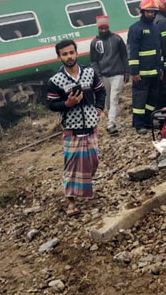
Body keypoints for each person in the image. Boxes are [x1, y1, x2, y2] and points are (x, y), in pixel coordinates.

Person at [47, 40, 107, 216]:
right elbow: (51, 104)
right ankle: (71, 201)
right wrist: (67, 103)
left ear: (76, 53)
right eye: (64, 54)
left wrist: (99, 109)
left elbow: (100, 91)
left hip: (91, 126)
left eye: (71, 52)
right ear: (59, 57)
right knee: (71, 165)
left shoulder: (89, 73)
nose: (69, 56)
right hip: (71, 129)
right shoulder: (55, 81)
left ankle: (84, 186)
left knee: (93, 161)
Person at [127, 0, 164, 133]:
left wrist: (160, 68)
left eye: (153, 12)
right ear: (142, 12)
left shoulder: (155, 28)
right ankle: (139, 124)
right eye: (148, 12)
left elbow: (158, 50)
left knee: (151, 99)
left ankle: (148, 121)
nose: (151, 14)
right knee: (139, 100)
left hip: (154, 71)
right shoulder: (135, 29)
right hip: (142, 73)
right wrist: (134, 71)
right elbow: (133, 52)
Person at [89, 15, 128, 134]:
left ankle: (111, 122)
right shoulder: (95, 43)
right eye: (101, 29)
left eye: (105, 28)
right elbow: (94, 61)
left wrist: (127, 71)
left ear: (108, 27)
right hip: (103, 76)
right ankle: (111, 119)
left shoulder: (117, 39)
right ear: (98, 29)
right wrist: (98, 76)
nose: (104, 31)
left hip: (118, 73)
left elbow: (124, 56)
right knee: (107, 100)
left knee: (114, 97)